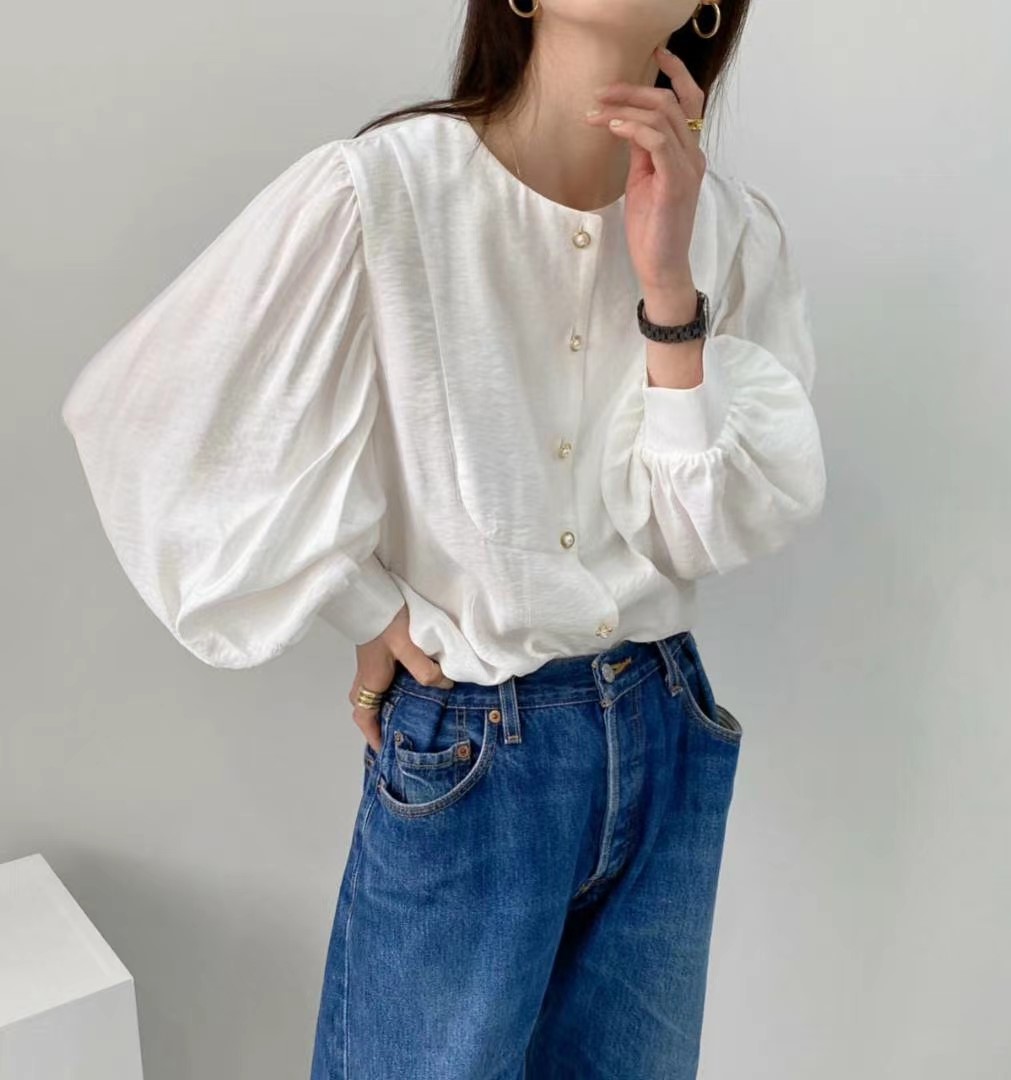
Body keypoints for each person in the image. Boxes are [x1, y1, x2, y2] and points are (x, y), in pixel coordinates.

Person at [60, 0, 826, 1072]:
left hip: (664, 728)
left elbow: (702, 531)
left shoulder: (728, 234)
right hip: (473, 747)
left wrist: (667, 290)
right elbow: (151, 417)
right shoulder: (383, 193)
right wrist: (363, 601)